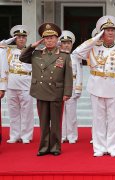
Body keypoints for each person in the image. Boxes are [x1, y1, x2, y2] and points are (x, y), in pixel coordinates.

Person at [72, 15, 115, 157]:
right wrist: (95, 39)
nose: (110, 32)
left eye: (112, 30)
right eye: (107, 30)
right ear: (101, 33)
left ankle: (113, 147)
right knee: (98, 119)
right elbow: (76, 52)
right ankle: (99, 147)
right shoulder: (92, 49)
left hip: (113, 87)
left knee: (114, 119)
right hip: (96, 87)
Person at [19, 23, 73, 156]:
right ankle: (43, 147)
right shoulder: (36, 53)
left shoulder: (64, 55)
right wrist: (33, 46)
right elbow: (22, 57)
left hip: (56, 92)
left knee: (55, 122)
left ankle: (55, 147)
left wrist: (67, 92)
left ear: (57, 40)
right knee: (43, 123)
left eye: (52, 38)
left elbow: (68, 76)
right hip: (41, 91)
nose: (49, 40)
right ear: (43, 40)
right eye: (47, 38)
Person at [2, 25, 34, 144]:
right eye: (18, 37)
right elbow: (1, 45)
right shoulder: (9, 51)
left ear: (26, 39)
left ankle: (26, 136)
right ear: (15, 39)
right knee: (13, 112)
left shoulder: (31, 51)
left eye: (23, 37)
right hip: (11, 84)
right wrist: (9, 40)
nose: (21, 39)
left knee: (27, 112)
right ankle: (14, 135)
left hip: (26, 84)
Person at [60, 30, 83, 144]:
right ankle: (62, 135)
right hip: (59, 87)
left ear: (72, 44)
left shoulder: (76, 57)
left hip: (72, 86)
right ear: (60, 44)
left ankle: (72, 136)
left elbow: (79, 73)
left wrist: (78, 88)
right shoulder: (57, 57)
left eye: (68, 43)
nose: (66, 45)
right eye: (64, 43)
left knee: (71, 114)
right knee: (60, 114)